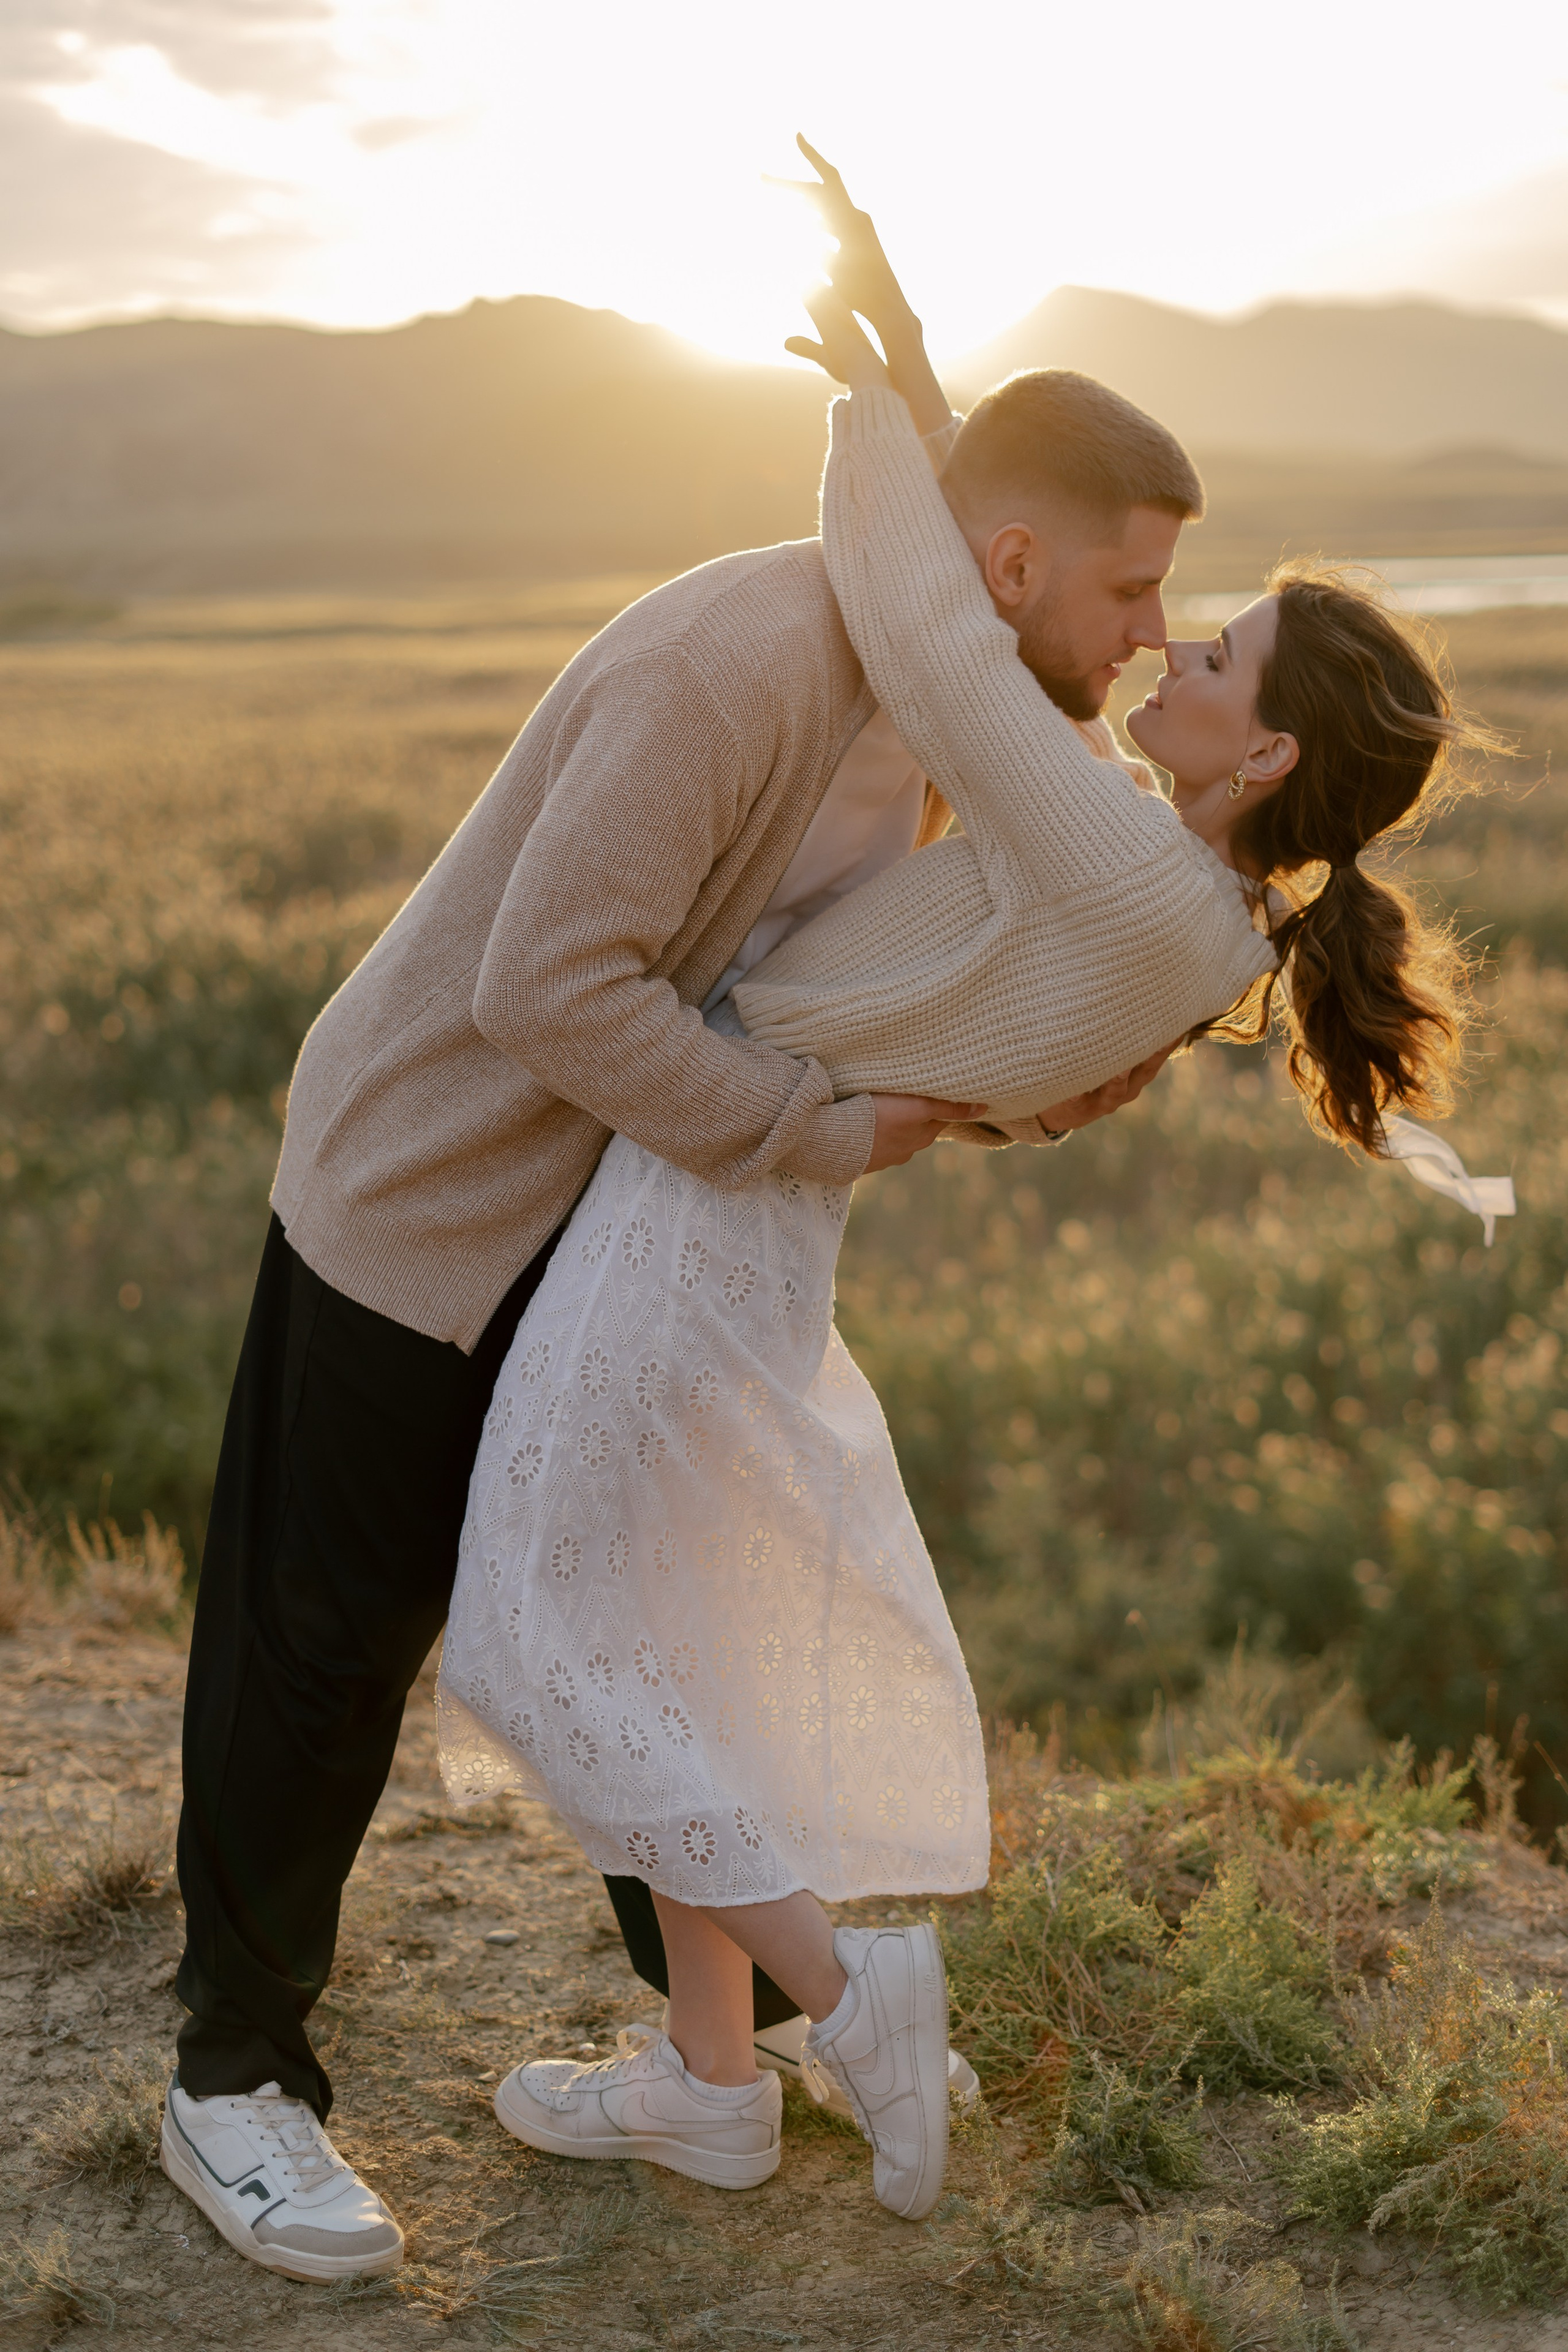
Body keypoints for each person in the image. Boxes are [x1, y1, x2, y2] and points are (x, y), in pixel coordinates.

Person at [157, 179, 1207, 2278]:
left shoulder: (961, 725)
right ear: (1005, 561)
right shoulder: (745, 656)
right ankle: (234, 2084)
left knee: (659, 1621)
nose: (1150, 639)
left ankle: (733, 2048)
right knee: (326, 1646)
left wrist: (997, 1099)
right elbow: (554, 986)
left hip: (621, 1211)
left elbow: (838, 995)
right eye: (1130, 589)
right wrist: (820, 1134)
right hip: (430, 1191)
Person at [432, 153, 1488, 2227]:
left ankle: (854, 1995)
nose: (1171, 650)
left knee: (539, 1630)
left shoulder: (1120, 860)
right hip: (767, 1217)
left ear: (1260, 758)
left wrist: (875, 405)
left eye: (1218, 653)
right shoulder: (1207, 919)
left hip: (696, 1200)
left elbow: (933, 621)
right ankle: (708, 2087)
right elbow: (1013, 711)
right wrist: (922, 360)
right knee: (676, 1627)